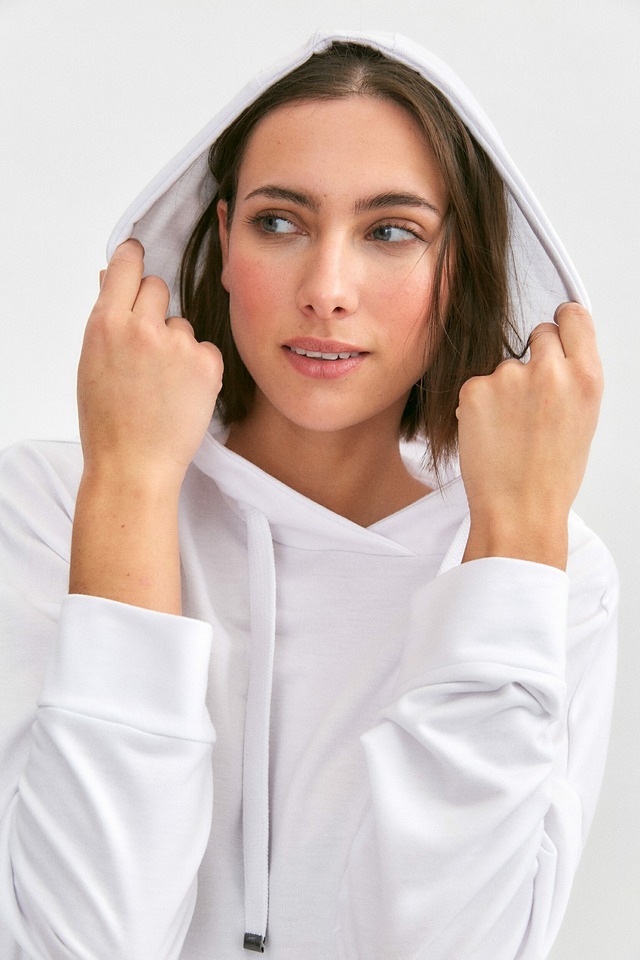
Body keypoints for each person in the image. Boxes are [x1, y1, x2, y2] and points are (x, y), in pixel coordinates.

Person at [0, 30, 617, 960]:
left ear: (461, 264)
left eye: (391, 231)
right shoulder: (53, 505)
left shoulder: (547, 566)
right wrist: (129, 484)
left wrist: (519, 536)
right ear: (222, 240)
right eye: (280, 222)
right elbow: (74, 944)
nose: (327, 290)